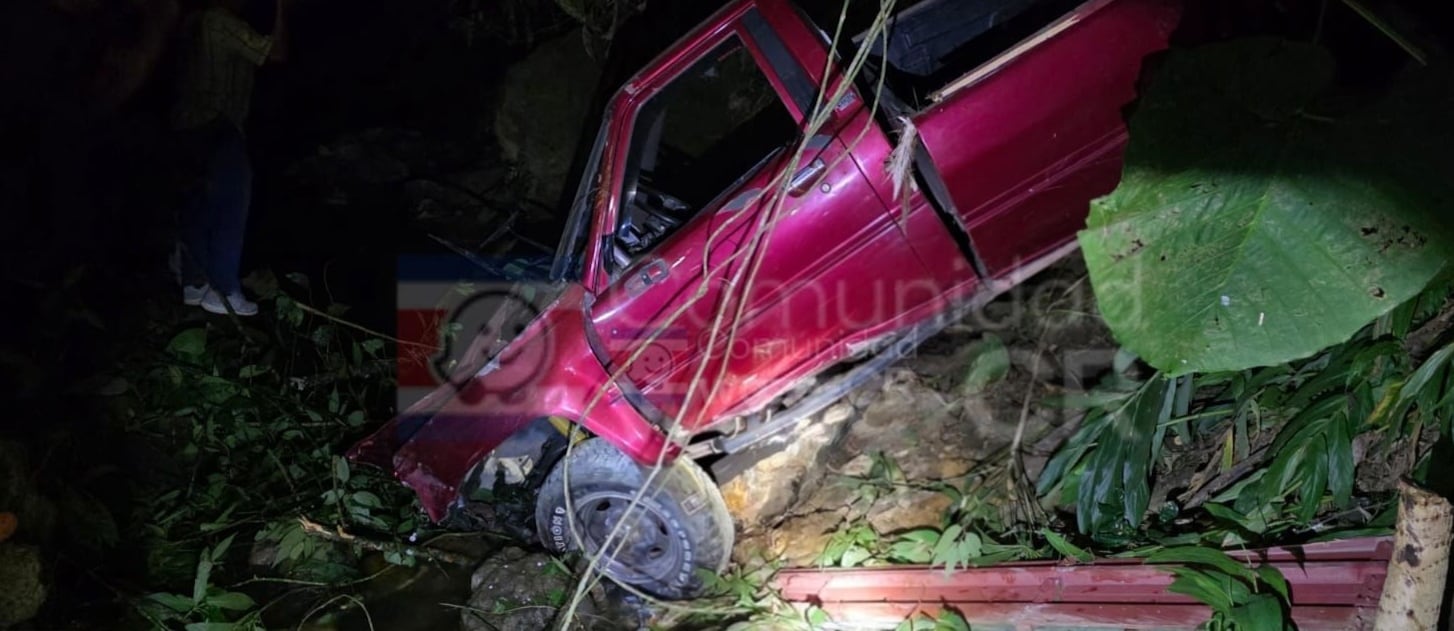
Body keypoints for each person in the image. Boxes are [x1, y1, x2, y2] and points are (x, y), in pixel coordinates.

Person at [169, 0, 289, 315]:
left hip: (188, 124)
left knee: (201, 202)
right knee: (235, 193)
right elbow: (274, 52)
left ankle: (195, 284)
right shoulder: (218, 21)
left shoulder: (194, 22)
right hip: (215, 122)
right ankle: (223, 287)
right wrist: (281, 9)